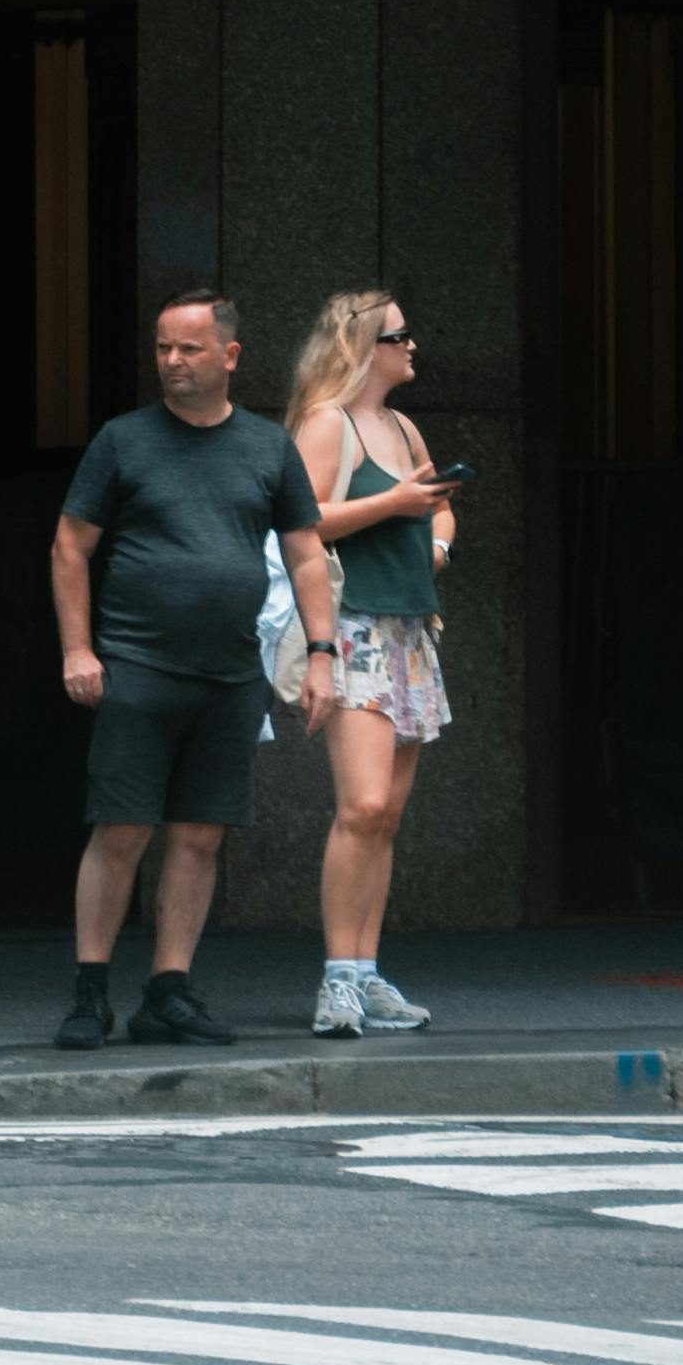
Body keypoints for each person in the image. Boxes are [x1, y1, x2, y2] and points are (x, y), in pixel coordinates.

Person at [47, 288, 335, 1051]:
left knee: (201, 835)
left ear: (230, 356)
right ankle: (89, 992)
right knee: (122, 829)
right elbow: (70, 546)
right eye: (163, 348)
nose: (171, 362)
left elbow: (307, 553)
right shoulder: (123, 439)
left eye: (189, 349)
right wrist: (79, 648)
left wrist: (323, 655)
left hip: (230, 672)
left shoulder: (269, 447)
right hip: (139, 665)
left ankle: (167, 990)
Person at [284, 285, 451, 1040]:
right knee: (361, 807)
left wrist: (436, 539)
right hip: (353, 628)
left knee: (385, 817)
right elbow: (303, 520)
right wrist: (397, 508)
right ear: (365, 346)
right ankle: (337, 979)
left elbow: (440, 502)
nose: (413, 345)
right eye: (401, 334)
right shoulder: (331, 422)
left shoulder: (403, 424)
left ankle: (367, 969)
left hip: (410, 629)